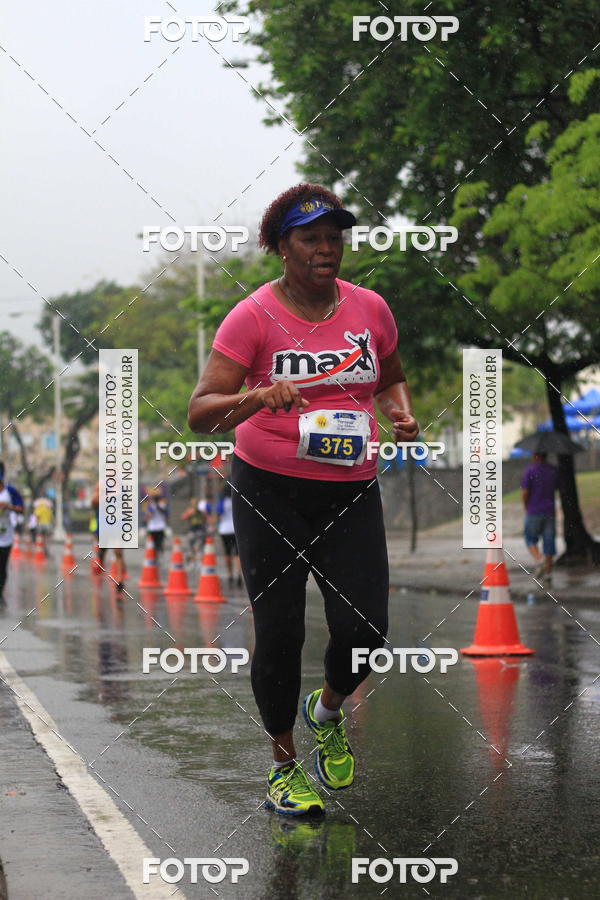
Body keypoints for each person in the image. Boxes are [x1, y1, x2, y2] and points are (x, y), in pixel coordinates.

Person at [188, 184, 418, 816]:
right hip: (269, 491)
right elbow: (201, 412)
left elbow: (391, 376)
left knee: (367, 629)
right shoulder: (252, 316)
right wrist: (258, 397)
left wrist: (399, 414)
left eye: (335, 236)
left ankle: (328, 712)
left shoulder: (370, 308)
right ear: (282, 248)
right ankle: (284, 768)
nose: (327, 248)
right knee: (281, 631)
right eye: (311, 238)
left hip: (350, 489)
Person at [520, 451, 560, 584]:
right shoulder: (553, 470)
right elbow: (557, 487)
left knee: (529, 537)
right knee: (549, 542)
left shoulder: (530, 470)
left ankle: (539, 559)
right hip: (549, 511)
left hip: (534, 510)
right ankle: (548, 573)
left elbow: (525, 492)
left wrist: (526, 505)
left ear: (536, 456)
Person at [90, 482, 125, 592]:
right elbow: (93, 502)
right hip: (103, 523)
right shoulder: (100, 485)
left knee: (118, 551)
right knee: (102, 550)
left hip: (117, 522)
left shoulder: (121, 486)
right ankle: (100, 560)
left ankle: (119, 580)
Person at [0, 463, 25, 603]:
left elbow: (22, 509)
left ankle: (0, 592)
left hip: (5, 537)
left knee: (2, 567)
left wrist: (8, 507)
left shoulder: (10, 491)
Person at [216, 483, 242, 587]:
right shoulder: (235, 500)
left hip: (224, 530)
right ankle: (239, 575)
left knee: (227, 553)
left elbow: (218, 515)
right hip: (235, 530)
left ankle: (230, 575)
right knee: (237, 554)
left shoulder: (221, 502)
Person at [143, 489, 169, 559]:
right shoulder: (163, 505)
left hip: (153, 528)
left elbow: (148, 516)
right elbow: (166, 516)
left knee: (153, 544)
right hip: (160, 527)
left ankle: (155, 557)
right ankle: (158, 555)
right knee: (159, 543)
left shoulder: (151, 506)